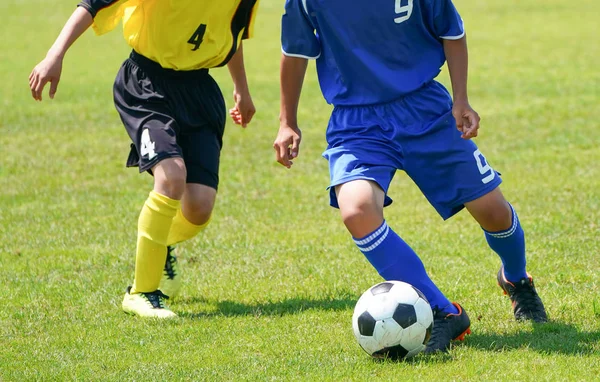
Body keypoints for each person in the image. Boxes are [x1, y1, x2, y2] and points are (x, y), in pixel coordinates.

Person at [273, 0, 548, 353]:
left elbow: (452, 32)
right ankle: (444, 312)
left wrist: (461, 100)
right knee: (357, 210)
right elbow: (295, 52)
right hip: (357, 121)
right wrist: (287, 122)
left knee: (492, 210)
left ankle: (516, 278)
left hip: (425, 109)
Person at [29, 0, 260, 318]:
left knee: (199, 208)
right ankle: (142, 292)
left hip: (200, 90)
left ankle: (160, 245)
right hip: (146, 84)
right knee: (171, 177)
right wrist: (55, 55)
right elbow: (92, 4)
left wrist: (241, 88)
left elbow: (230, 31)